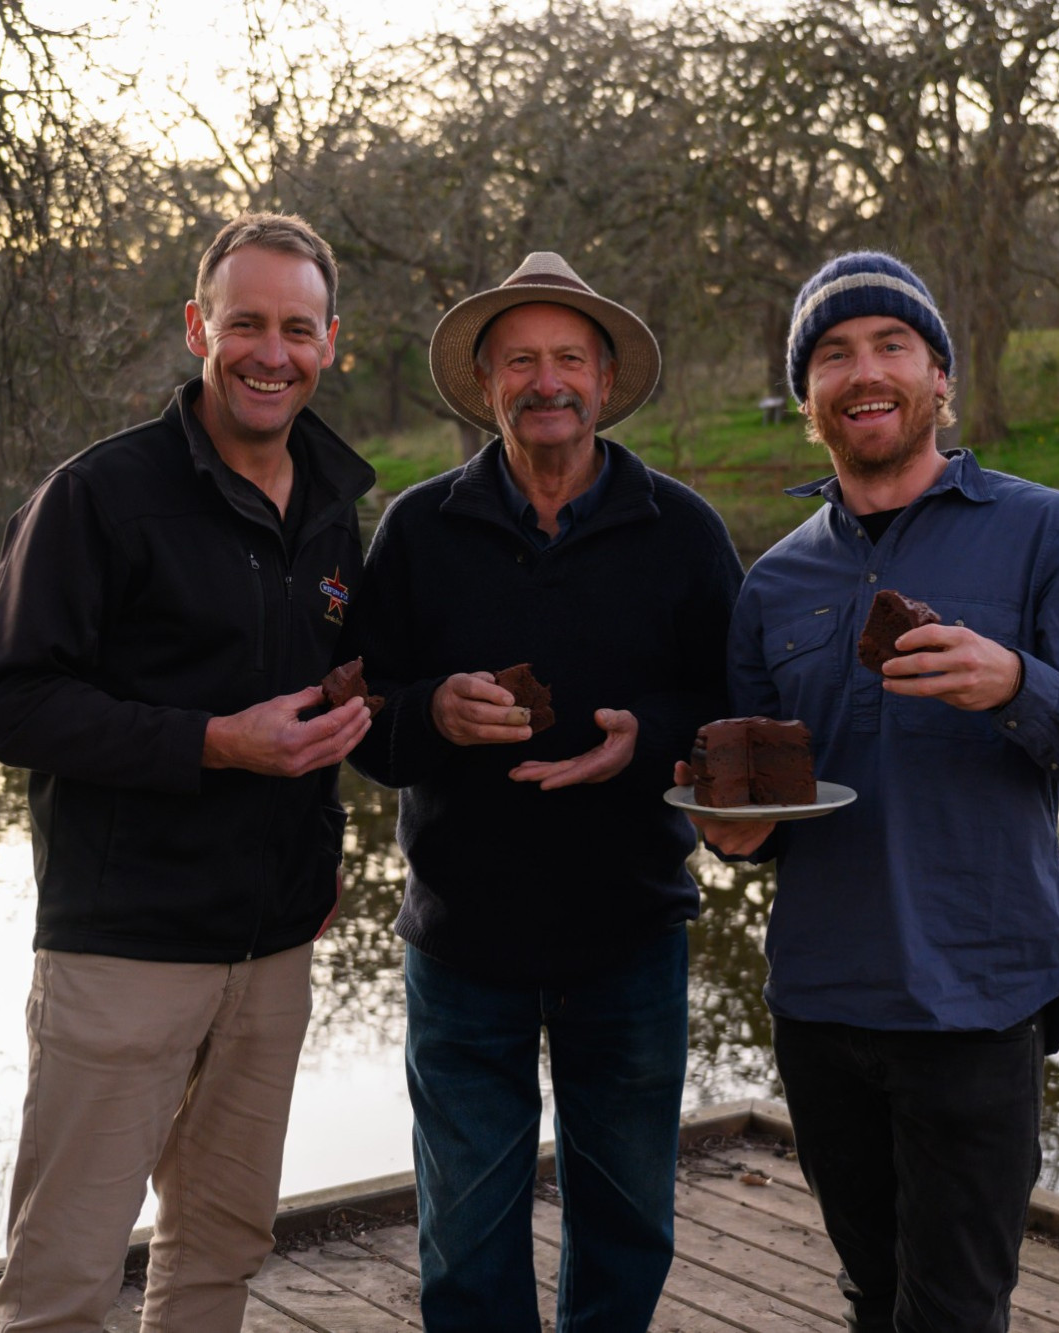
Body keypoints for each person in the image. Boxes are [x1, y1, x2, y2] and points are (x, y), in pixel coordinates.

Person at [685, 251, 1059, 1333]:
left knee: (953, 1310)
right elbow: (758, 818)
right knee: (870, 1294)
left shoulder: (1047, 530)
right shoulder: (773, 582)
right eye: (831, 354)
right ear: (805, 397)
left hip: (976, 996)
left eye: (890, 344)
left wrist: (1014, 682)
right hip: (817, 998)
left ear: (939, 376)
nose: (863, 371)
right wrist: (731, 829)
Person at [0, 213, 375, 1333]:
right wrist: (211, 741)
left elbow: (333, 695)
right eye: (245, 323)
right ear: (199, 327)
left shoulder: (338, 510)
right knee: (64, 1275)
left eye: (297, 328)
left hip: (274, 948)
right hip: (124, 949)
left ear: (329, 342)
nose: (270, 352)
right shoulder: (97, 496)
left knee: (220, 1247)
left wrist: (330, 828)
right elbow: (7, 704)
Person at [343, 252, 742, 1332]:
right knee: (464, 1236)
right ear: (485, 386)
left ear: (606, 383)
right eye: (518, 359)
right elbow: (360, 719)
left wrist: (648, 740)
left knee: (625, 1224)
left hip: (629, 935)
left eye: (569, 357)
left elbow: (738, 710)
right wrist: (432, 711)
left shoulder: (685, 532)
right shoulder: (419, 531)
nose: (545, 380)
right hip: (462, 944)